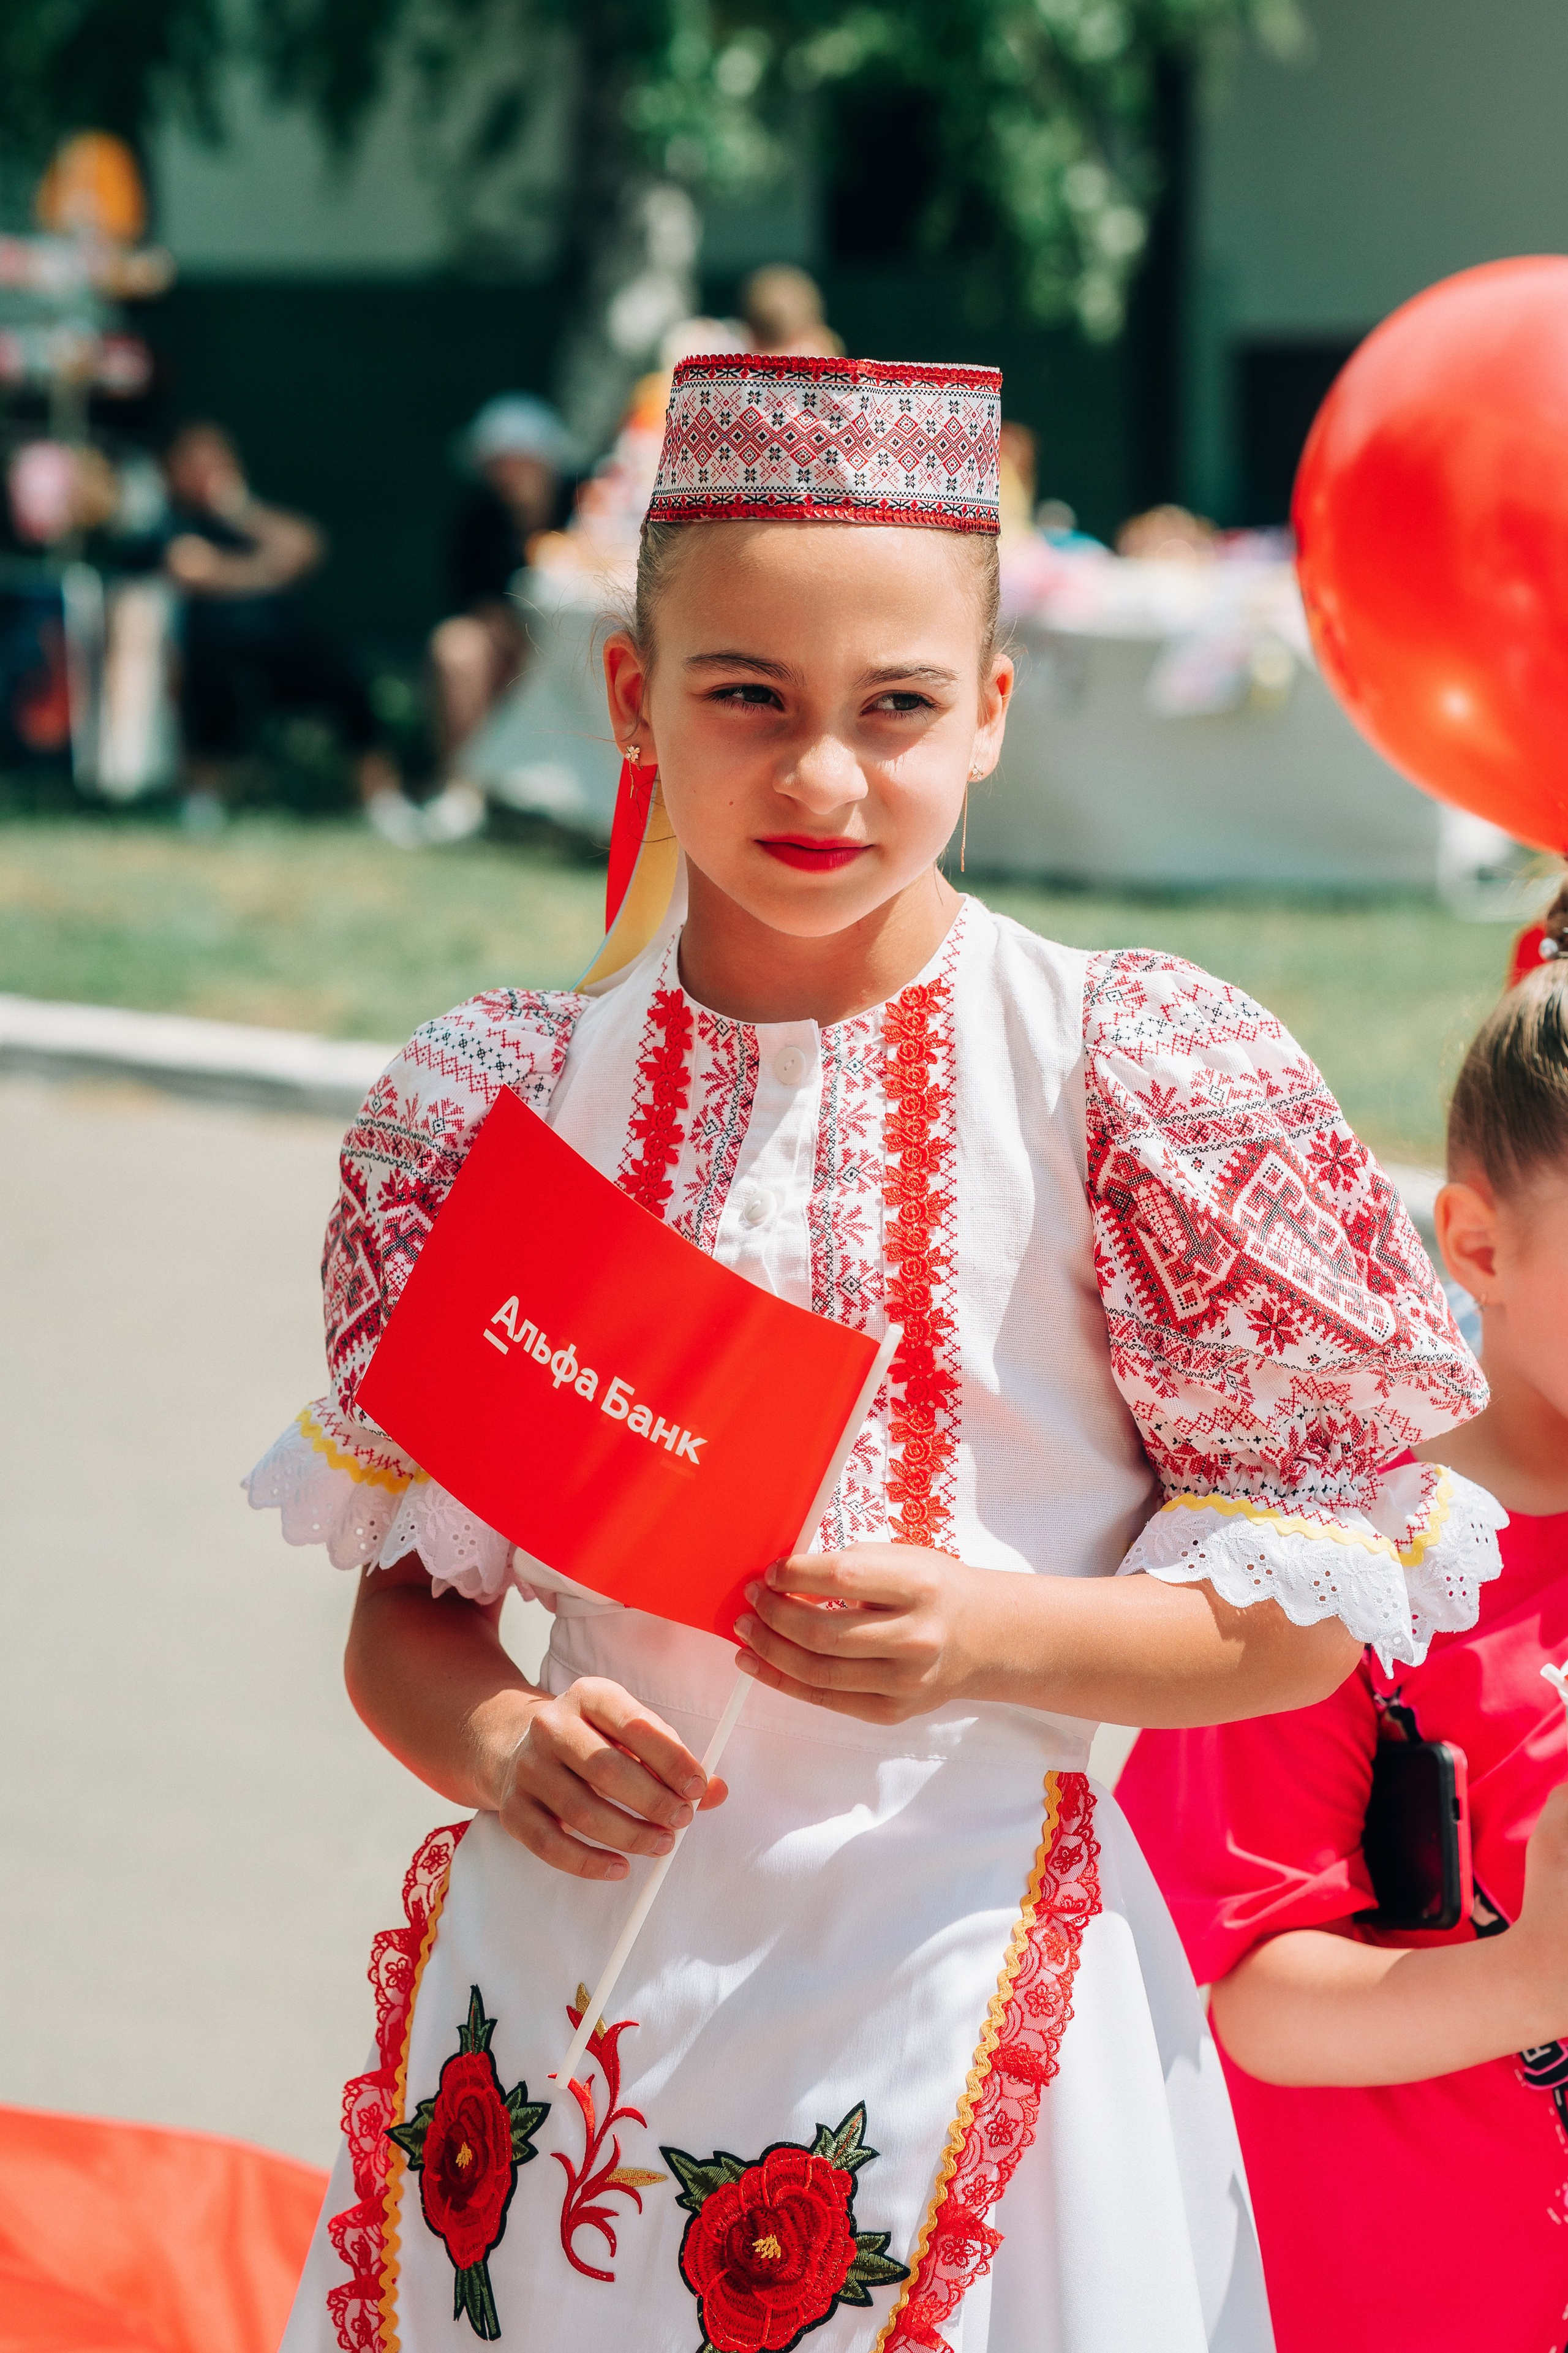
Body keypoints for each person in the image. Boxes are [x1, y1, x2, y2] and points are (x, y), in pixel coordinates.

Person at [247, 352, 1501, 2353]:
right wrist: (497, 1740)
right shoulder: (506, 1108)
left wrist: (988, 1636)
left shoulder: (1125, 1083)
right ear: (633, 698)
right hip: (559, 2009)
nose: (821, 778)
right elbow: (412, 1615)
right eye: (747, 696)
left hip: (963, 1987)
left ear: (991, 709)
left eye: (895, 707)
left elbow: (1296, 1628)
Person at [1118, 888, 1568, 2353]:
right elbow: (1249, 1994)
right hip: (1404, 2301)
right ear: (1475, 1246)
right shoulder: (1345, 1564)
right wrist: (1530, 1978)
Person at [156, 422, 408, 834]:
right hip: (214, 648)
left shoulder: (248, 517)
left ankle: (383, 802)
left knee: (348, 680)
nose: (206, 472)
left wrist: (240, 511)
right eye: (194, 463)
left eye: (214, 461)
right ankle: (201, 799)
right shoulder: (170, 522)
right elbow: (193, 570)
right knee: (212, 685)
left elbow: (306, 546)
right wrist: (269, 570)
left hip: (283, 645)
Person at [427, 395, 578, 807]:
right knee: (456, 648)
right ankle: (462, 791)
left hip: (583, 642)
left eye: (521, 461)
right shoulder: (476, 519)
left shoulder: (590, 504)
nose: (509, 474)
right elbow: (476, 601)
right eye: (498, 463)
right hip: (510, 642)